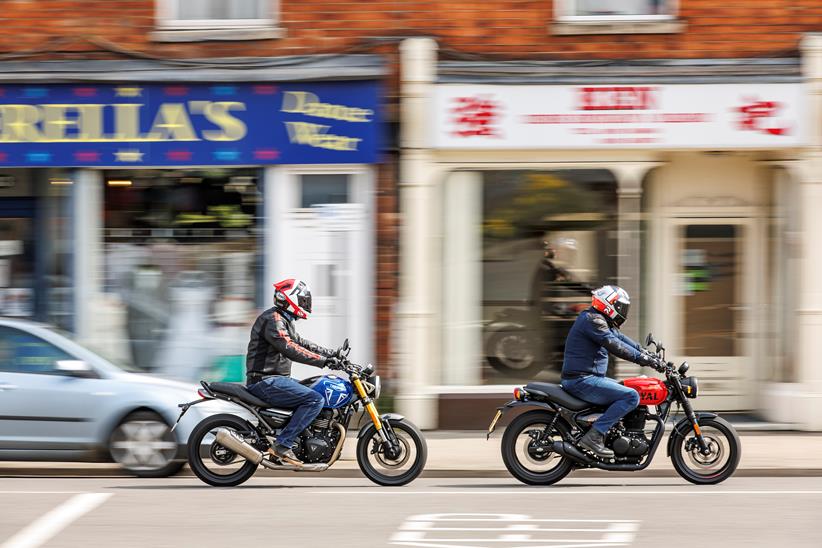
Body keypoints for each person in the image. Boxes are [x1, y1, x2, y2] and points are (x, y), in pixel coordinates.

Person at [245, 278, 342, 466]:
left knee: (316, 389)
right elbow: (290, 348)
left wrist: (332, 354)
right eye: (303, 301)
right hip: (265, 381)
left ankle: (291, 439)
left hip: (276, 379)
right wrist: (324, 362)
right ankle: (282, 446)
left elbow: (301, 343)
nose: (306, 305)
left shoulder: (282, 320)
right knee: (315, 399)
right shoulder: (272, 320)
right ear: (290, 299)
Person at [560, 285, 663, 459]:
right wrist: (642, 359)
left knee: (630, 388)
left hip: (589, 378)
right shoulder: (593, 320)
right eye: (621, 307)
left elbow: (622, 339)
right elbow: (614, 345)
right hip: (581, 380)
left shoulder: (599, 320)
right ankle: (594, 436)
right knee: (631, 396)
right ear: (609, 304)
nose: (623, 311)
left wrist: (646, 353)